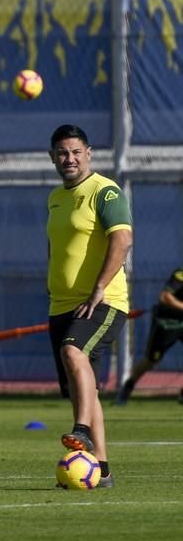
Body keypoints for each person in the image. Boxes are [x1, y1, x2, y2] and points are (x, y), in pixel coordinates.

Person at [46, 124, 132, 488]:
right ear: (53, 157)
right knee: (86, 389)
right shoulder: (55, 197)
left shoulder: (104, 191)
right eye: (63, 153)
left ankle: (81, 431)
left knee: (73, 350)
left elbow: (123, 239)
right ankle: (102, 470)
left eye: (76, 152)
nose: (70, 158)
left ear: (89, 153)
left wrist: (98, 288)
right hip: (61, 306)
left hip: (101, 301)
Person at [114, 264, 183, 405]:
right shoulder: (181, 274)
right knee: (151, 361)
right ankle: (127, 387)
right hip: (167, 324)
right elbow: (165, 297)